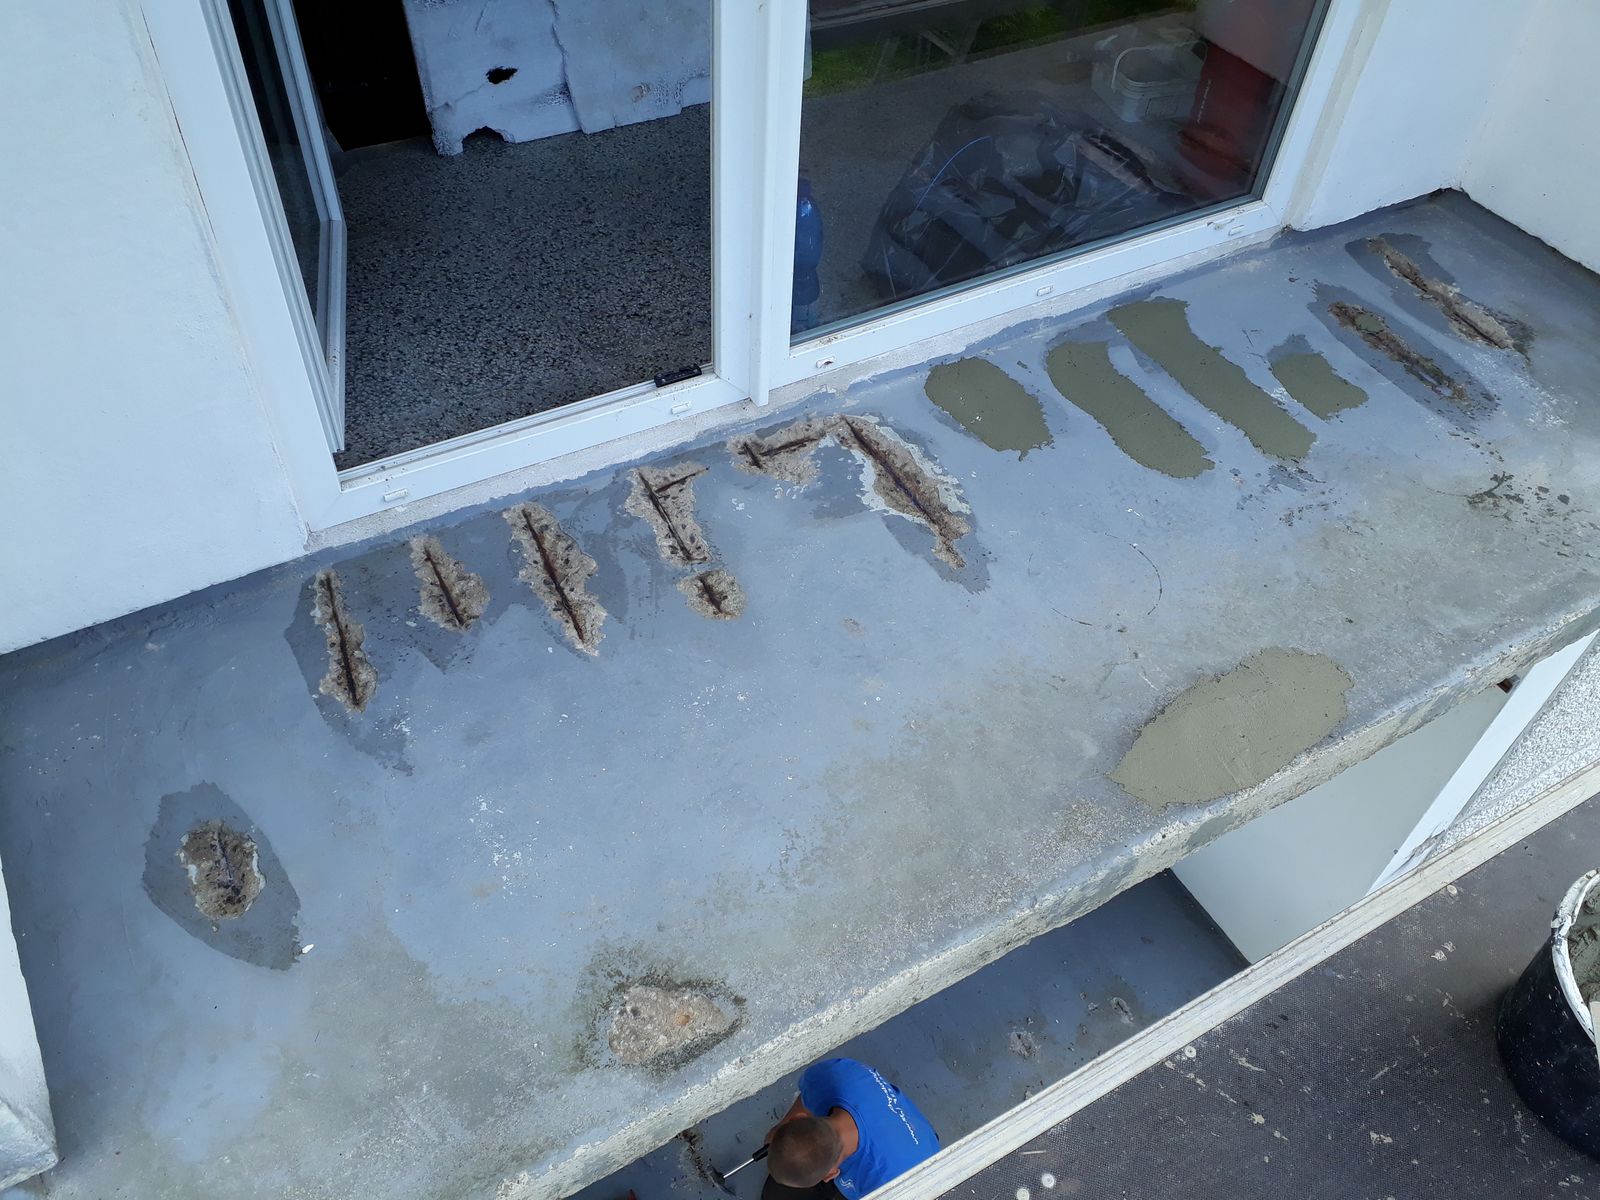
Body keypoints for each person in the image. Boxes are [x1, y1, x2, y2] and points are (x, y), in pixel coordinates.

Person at [762, 1057, 939, 1199]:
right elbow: (807, 1100)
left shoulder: (889, 1185)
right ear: (798, 1117)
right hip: (891, 1131)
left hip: (916, 1162)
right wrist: (779, 1135)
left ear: (830, 1175)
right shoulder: (831, 1074)